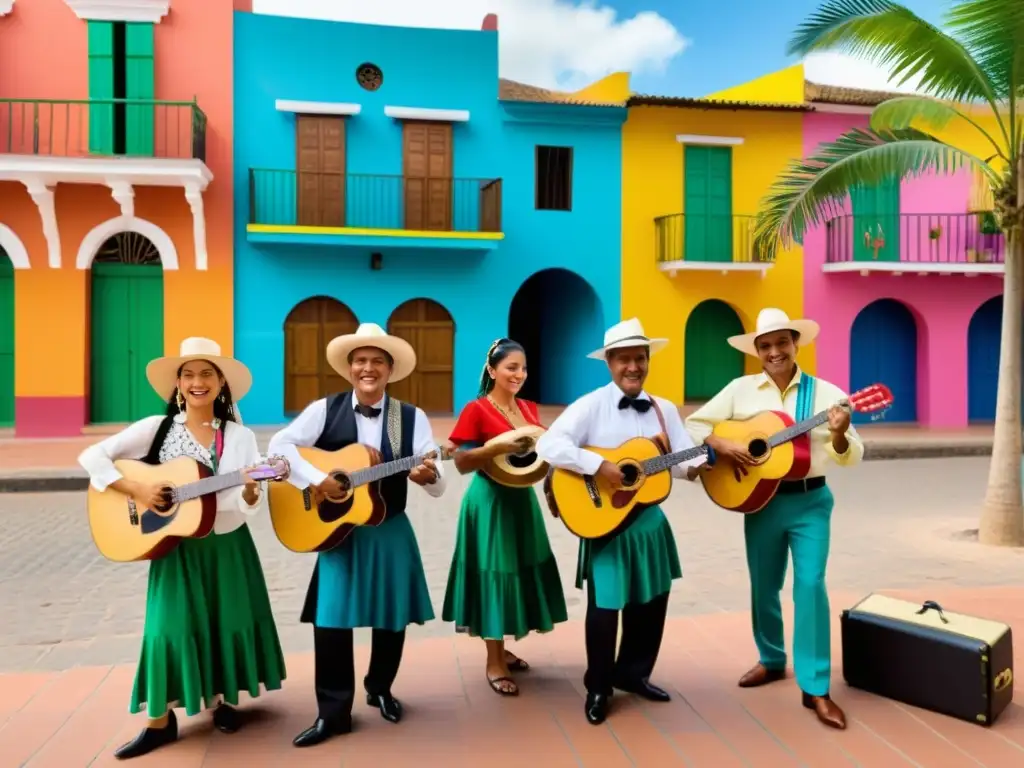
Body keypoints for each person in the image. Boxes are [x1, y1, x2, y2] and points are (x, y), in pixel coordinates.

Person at [77, 337, 287, 760]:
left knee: (227, 621)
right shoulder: (156, 429)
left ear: (221, 383)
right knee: (166, 628)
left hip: (227, 547)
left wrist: (250, 488)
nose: (197, 382)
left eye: (207, 373)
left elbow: (251, 504)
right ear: (177, 383)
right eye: (189, 374)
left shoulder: (240, 437)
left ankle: (224, 700)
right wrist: (137, 486)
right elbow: (92, 456)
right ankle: (160, 721)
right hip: (175, 550)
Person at [267, 322, 447, 748]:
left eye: (377, 362)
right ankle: (332, 713)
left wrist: (427, 474)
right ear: (350, 368)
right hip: (337, 532)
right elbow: (280, 446)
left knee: (391, 616)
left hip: (388, 528)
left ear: (389, 369)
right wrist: (316, 480)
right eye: (361, 361)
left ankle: (380, 687)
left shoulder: (411, 417)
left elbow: (438, 479)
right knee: (330, 620)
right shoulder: (323, 409)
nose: (369, 368)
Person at [685, 307, 864, 730]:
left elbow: (853, 454)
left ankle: (816, 686)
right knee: (764, 585)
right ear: (757, 351)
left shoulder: (825, 395)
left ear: (795, 343)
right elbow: (693, 425)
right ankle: (771, 659)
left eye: (781, 342)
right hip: (761, 501)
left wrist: (838, 432)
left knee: (810, 585)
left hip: (810, 501)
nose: (774, 351)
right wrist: (723, 445)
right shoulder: (740, 390)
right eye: (765, 345)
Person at [534, 318, 707, 725]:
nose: (634, 366)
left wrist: (702, 463)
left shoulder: (664, 410)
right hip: (606, 523)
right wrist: (600, 466)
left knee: (651, 603)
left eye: (640, 358)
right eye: (625, 359)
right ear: (609, 362)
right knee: (606, 606)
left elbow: (682, 459)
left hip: (649, 523)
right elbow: (549, 444)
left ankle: (634, 674)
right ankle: (598, 685)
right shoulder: (591, 404)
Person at [441, 338, 568, 696]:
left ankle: (503, 647)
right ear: (492, 370)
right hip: (490, 502)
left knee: (519, 570)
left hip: (522, 502)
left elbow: (543, 457)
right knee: (495, 573)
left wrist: (552, 488)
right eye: (511, 367)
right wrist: (495, 447)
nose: (519, 375)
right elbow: (461, 462)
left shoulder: (529, 409)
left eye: (523, 368)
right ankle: (493, 660)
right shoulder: (477, 409)